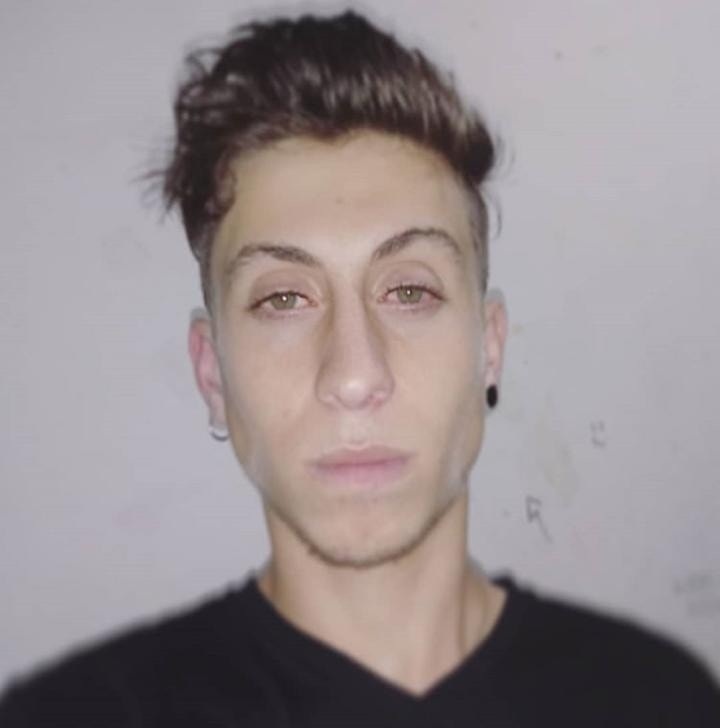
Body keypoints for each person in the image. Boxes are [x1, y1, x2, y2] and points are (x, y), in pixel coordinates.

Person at [1, 10, 718, 727]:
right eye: (283, 299)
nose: (353, 376)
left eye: (409, 291)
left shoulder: (658, 700)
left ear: (490, 348)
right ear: (212, 374)